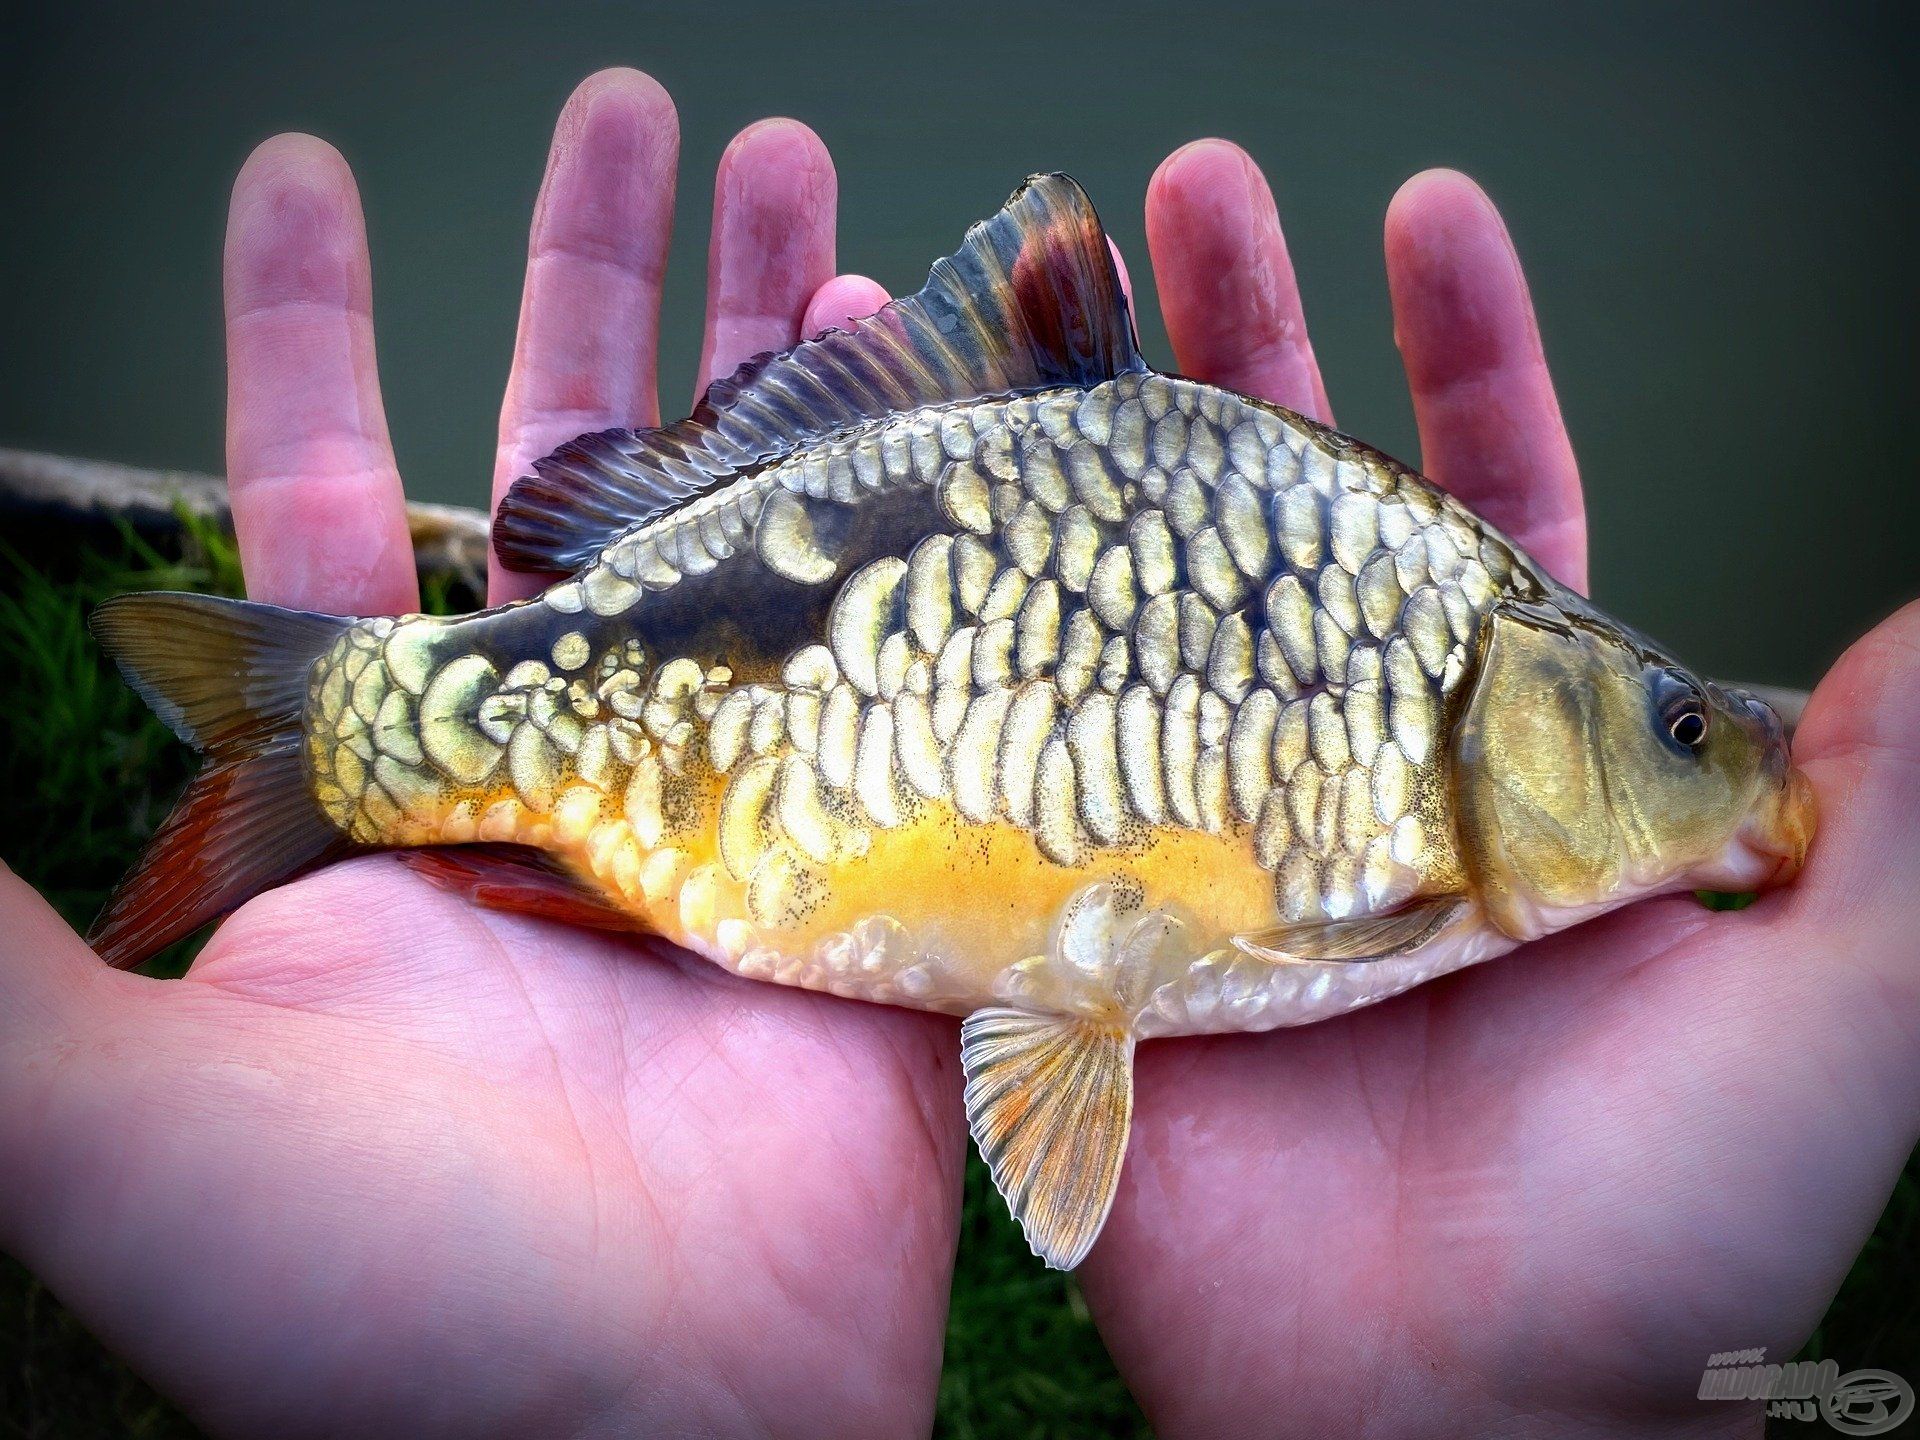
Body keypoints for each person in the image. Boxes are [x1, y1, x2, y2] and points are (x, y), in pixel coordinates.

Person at [0, 66, 1913, 1439]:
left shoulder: (1428, 674)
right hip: (738, 673)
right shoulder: (1404, 800)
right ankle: (336, 735)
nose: (1709, 755)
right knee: (434, 738)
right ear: (1530, 708)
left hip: (788, 739)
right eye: (1673, 730)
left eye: (1683, 727)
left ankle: (347, 737)